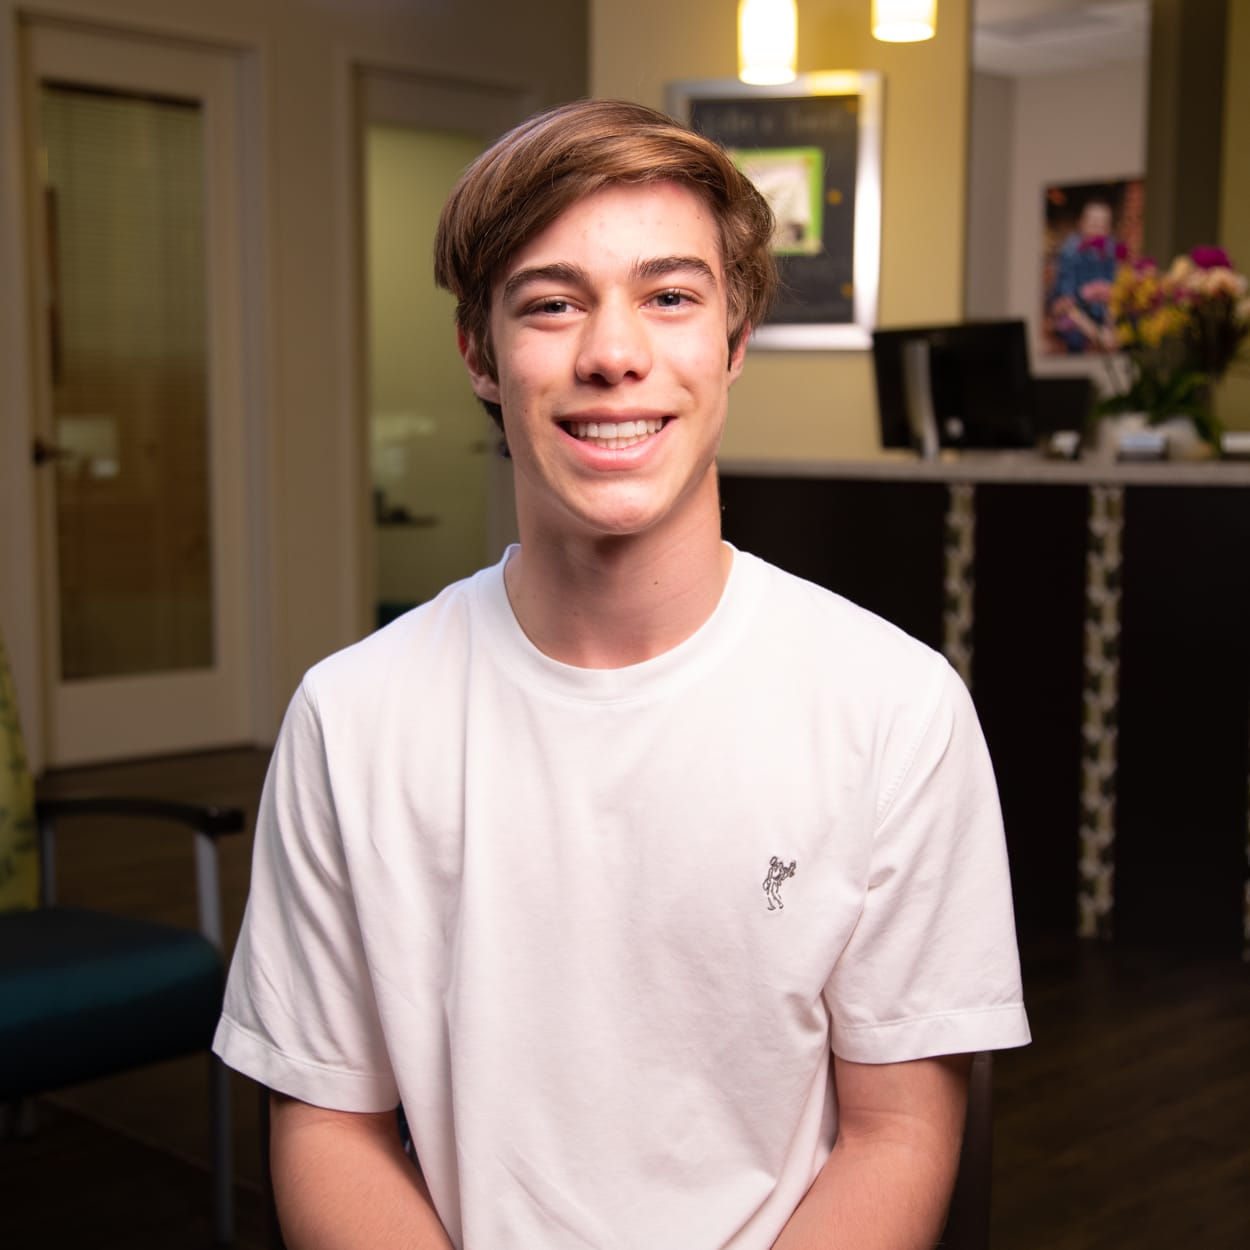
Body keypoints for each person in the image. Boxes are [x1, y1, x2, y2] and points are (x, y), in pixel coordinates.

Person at [214, 98, 1030, 1249]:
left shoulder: (892, 711)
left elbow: (894, 1132)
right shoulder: (351, 718)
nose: (611, 352)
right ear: (479, 355)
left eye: (668, 295)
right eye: (550, 303)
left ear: (732, 342)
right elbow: (325, 1125)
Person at [1048, 198, 1123, 354]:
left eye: (1103, 225)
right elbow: (1066, 304)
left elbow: (1115, 296)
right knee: (1075, 340)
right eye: (1093, 223)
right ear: (1081, 223)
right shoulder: (1070, 252)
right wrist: (1097, 334)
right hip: (1076, 318)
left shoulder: (1111, 251)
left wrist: (1110, 328)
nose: (1098, 229)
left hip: (1103, 318)